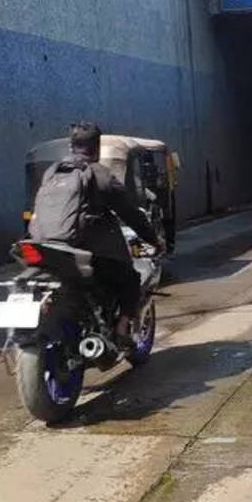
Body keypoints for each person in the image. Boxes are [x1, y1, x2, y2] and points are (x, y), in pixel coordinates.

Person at [28, 122, 163, 340]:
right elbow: (130, 213)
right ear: (97, 148)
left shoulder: (52, 172)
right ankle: (122, 330)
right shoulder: (100, 175)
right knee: (130, 279)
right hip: (87, 252)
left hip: (45, 246)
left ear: (71, 146)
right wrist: (154, 240)